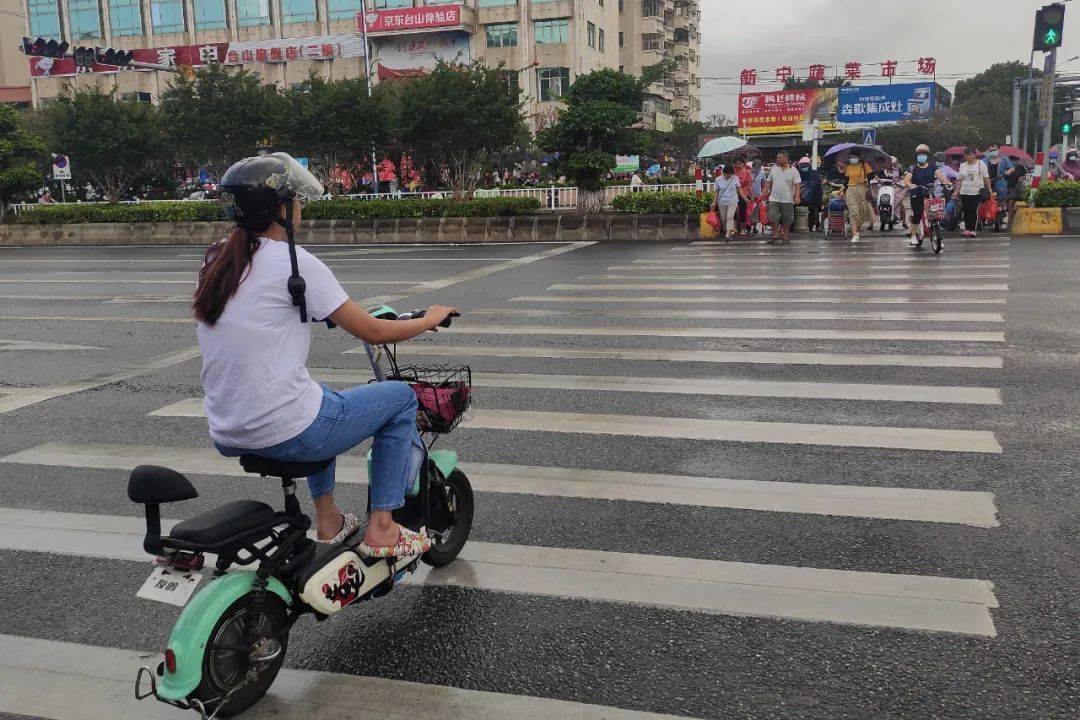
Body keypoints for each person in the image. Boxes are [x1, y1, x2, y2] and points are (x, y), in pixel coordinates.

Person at [196, 153, 458, 557]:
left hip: (229, 429)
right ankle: (383, 528)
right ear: (281, 209)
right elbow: (372, 330)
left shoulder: (218, 260)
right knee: (400, 399)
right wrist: (428, 319)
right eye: (295, 200)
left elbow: (259, 314)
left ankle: (330, 519)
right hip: (285, 429)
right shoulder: (294, 263)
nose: (299, 207)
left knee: (320, 398)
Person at [903, 144, 951, 246]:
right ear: (916, 156)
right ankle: (913, 236)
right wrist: (911, 185)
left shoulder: (933, 167)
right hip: (917, 193)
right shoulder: (913, 168)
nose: (922, 156)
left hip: (929, 194)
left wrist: (947, 182)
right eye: (919, 154)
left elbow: (941, 177)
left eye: (924, 154)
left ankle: (937, 237)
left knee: (935, 214)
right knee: (917, 214)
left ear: (927, 156)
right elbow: (907, 179)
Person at [763, 150, 801, 244]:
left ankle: (784, 234)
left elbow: (797, 185)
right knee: (772, 217)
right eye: (777, 157)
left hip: (787, 199)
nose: (777, 159)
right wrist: (764, 191)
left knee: (788, 219)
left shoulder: (793, 170)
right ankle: (775, 233)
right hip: (774, 198)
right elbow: (768, 181)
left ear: (786, 158)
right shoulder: (774, 168)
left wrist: (797, 197)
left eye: (779, 157)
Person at [954, 146, 991, 238]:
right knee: (966, 210)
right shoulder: (963, 165)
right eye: (966, 155)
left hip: (976, 191)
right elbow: (959, 180)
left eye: (970, 155)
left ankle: (972, 229)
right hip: (964, 191)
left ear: (974, 155)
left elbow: (986, 177)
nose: (968, 157)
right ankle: (967, 229)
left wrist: (989, 188)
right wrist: (956, 191)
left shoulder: (980, 163)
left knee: (973, 210)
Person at [843, 149, 875, 243]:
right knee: (853, 211)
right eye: (851, 157)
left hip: (862, 190)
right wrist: (842, 190)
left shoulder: (865, 166)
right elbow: (846, 181)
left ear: (859, 157)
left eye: (855, 156)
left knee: (862, 211)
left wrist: (865, 179)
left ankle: (857, 229)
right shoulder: (848, 167)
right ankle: (854, 234)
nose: (853, 158)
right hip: (851, 189)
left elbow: (872, 176)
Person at [712, 163, 747, 239]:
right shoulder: (718, 179)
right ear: (723, 173)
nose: (728, 176)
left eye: (730, 174)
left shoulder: (735, 178)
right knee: (723, 218)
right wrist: (713, 203)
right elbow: (716, 193)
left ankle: (728, 232)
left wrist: (745, 198)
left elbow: (739, 189)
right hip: (722, 202)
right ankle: (728, 229)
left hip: (732, 201)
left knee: (730, 216)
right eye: (726, 174)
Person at [797, 157, 823, 232]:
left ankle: (816, 223)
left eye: (805, 165)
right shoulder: (798, 173)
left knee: (814, 209)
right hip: (799, 196)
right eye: (802, 165)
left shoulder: (814, 173)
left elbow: (817, 186)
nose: (804, 167)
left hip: (813, 198)